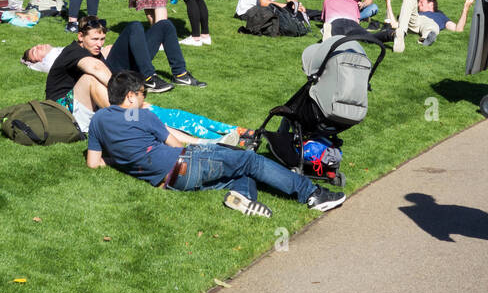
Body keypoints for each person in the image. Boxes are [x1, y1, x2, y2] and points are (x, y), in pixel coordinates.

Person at [87, 71, 345, 217]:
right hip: (184, 162)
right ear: (131, 97)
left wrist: (121, 159)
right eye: (142, 96)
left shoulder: (98, 120)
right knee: (248, 158)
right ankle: (311, 194)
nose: (144, 102)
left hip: (171, 183)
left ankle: (242, 196)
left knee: (238, 167)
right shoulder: (143, 115)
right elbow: (176, 144)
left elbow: (93, 163)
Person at [43, 15, 204, 135]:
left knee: (163, 25)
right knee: (91, 77)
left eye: (102, 39)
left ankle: (179, 74)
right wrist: (127, 95)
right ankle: (143, 95)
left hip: (107, 84)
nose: (99, 44)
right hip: (64, 108)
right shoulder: (73, 52)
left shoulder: (94, 51)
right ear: (80, 36)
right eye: (94, 39)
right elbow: (96, 68)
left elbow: (102, 65)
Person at [382, 0, 475, 51]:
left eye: (421, 2)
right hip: (415, 20)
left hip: (429, 23)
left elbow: (458, 29)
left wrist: (466, 8)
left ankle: (426, 38)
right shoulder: (417, 12)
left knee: (431, 26)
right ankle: (400, 35)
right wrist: (388, 2)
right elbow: (393, 24)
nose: (418, 4)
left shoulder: (440, 16)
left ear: (431, 4)